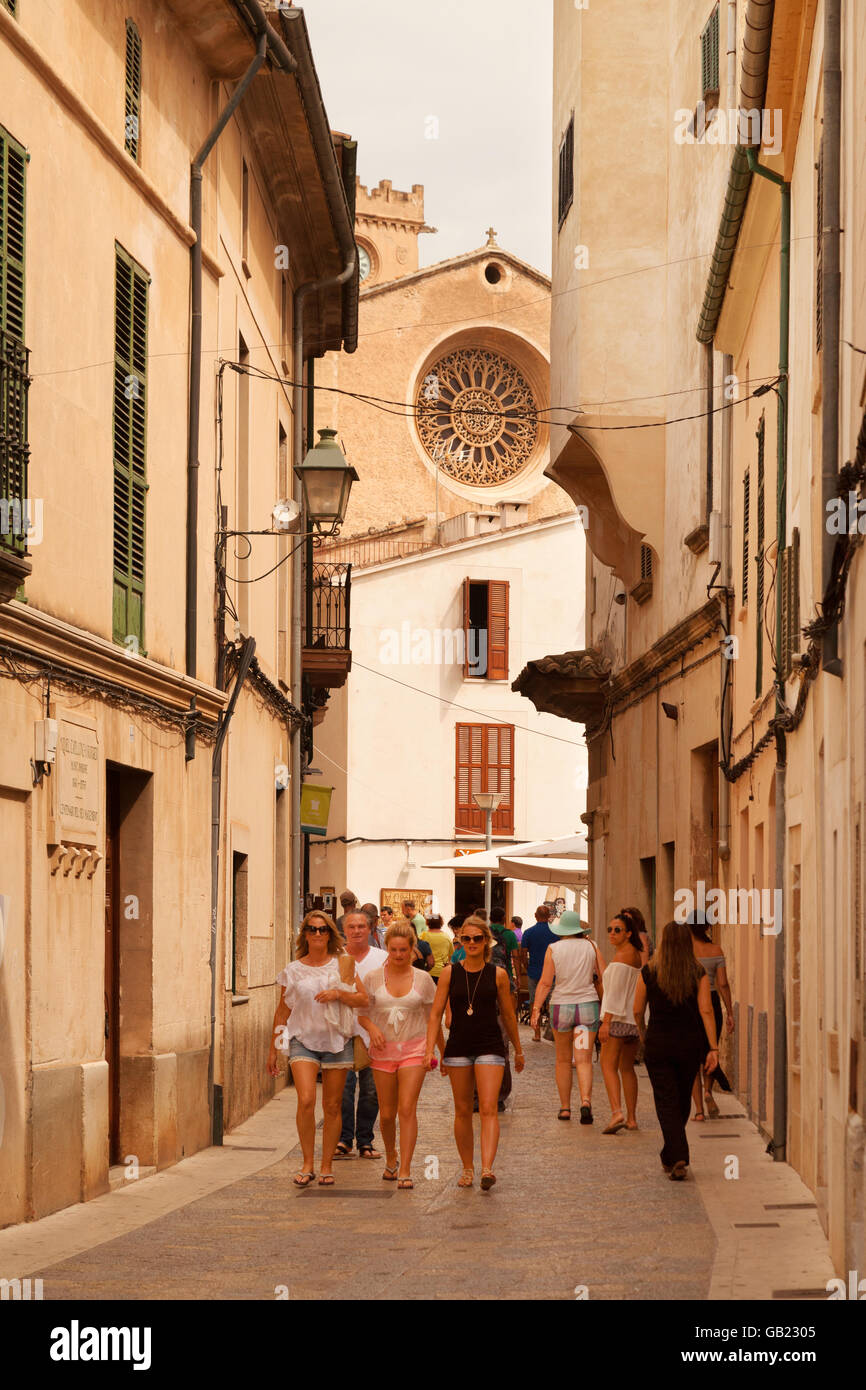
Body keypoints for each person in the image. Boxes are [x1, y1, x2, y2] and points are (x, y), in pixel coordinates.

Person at [267, 910, 368, 1186]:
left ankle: (326, 1166)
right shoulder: (293, 970)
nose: (318, 934)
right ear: (305, 935)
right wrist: (275, 1049)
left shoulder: (342, 964)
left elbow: (363, 999)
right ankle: (307, 1163)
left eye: (323, 930)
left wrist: (338, 994)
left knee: (333, 1106)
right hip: (303, 1040)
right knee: (307, 1099)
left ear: (330, 934)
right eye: (312, 929)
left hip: (337, 1042)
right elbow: (281, 1013)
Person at [425, 915, 524, 1190]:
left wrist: (518, 1049)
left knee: (490, 1108)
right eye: (466, 938)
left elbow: (508, 1014)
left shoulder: (499, 975)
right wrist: (429, 1049)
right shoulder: (449, 973)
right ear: (459, 940)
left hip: (490, 1045)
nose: (471, 943)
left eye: (477, 938)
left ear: (486, 941)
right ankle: (467, 1167)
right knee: (463, 1110)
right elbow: (434, 1014)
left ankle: (487, 1169)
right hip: (458, 1047)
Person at [359, 921, 446, 1188]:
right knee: (386, 1114)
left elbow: (434, 1017)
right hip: (382, 1052)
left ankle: (406, 1168)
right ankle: (391, 1156)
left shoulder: (422, 979)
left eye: (403, 950)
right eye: (394, 950)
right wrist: (372, 1027)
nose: (398, 955)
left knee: (407, 1109)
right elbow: (360, 1014)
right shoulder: (372, 978)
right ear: (387, 949)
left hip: (414, 1049)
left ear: (412, 951)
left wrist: (437, 1050)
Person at [632, 919, 720, 1180]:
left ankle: (675, 1153)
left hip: (659, 1043)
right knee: (681, 1101)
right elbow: (706, 1011)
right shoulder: (698, 972)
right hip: (689, 1045)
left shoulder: (648, 972)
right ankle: (674, 1154)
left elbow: (637, 1010)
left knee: (666, 1101)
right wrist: (713, 1047)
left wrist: (643, 1033)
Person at [530, 911, 604, 1122]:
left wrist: (536, 1008)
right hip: (587, 1007)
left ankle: (564, 1108)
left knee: (563, 1060)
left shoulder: (554, 948)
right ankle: (586, 1101)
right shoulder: (592, 946)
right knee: (583, 1059)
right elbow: (601, 977)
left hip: (562, 1008)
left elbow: (545, 982)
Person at [334, 911, 387, 1160]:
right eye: (352, 926)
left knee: (370, 1090)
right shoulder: (334, 959)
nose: (357, 930)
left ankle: (365, 1141)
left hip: (374, 1032)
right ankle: (344, 1139)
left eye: (361, 926)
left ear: (369, 929)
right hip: (341, 1032)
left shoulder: (382, 959)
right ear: (344, 929)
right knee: (343, 1089)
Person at [598, 912, 643, 1133]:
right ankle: (632, 1118)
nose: (612, 934)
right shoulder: (636, 955)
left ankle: (617, 1113)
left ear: (628, 933)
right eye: (610, 929)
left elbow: (613, 995)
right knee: (627, 1068)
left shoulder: (619, 960)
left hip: (616, 1019)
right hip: (633, 1020)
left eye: (617, 930)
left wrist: (605, 1023)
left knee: (607, 1065)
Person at [687, 913, 734, 1120]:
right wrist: (730, 1011)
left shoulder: (686, 952)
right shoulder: (716, 950)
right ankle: (708, 1091)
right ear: (707, 927)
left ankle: (698, 1111)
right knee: (710, 1049)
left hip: (691, 1004)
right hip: (712, 1002)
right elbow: (723, 983)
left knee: (693, 1056)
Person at [522, 905, 559, 1042]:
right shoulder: (555, 933)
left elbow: (523, 953)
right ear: (549, 916)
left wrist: (527, 967)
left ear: (535, 916)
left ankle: (536, 1033)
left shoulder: (529, 932)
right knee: (552, 1003)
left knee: (534, 1002)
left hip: (534, 972)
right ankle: (553, 1032)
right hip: (553, 973)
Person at [489, 906, 521, 988]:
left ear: (490, 918)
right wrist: (518, 977)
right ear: (504, 919)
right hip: (506, 972)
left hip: (487, 973)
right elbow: (515, 956)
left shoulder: (484, 933)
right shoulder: (510, 934)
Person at [420, 913, 453, 980]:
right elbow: (451, 956)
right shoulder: (446, 937)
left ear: (427, 923)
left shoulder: (423, 936)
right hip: (442, 971)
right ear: (441, 923)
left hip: (427, 971)